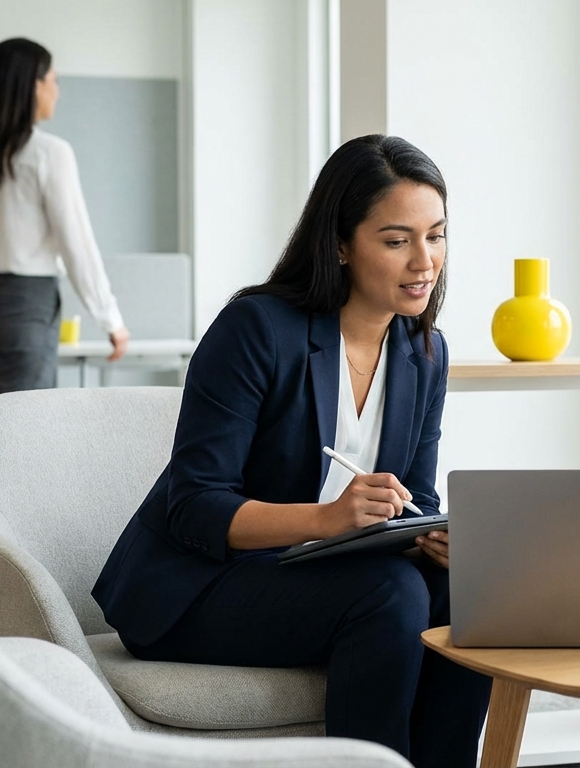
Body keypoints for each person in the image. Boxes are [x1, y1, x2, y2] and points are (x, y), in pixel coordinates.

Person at [92, 135, 490, 767]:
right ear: (339, 244)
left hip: (319, 576)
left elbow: (417, 498)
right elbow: (194, 505)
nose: (425, 261)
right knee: (391, 592)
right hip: (198, 586)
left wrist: (437, 536)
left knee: (469, 588)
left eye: (436, 236)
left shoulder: (425, 353)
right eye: (396, 241)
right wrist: (330, 519)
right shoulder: (257, 329)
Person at [0, 38, 129, 603]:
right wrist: (109, 315)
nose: (56, 88)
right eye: (51, 78)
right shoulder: (48, 153)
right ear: (29, 85)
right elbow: (77, 244)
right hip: (23, 305)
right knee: (15, 446)